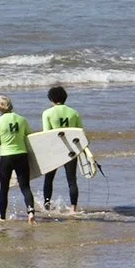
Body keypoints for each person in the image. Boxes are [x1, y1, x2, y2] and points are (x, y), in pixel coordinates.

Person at [0, 95, 35, 222]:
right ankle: (31, 212)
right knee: (25, 187)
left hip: (6, 157)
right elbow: (29, 136)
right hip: (22, 155)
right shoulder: (22, 119)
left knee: (4, 189)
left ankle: (3, 218)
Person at [40, 85, 83, 213]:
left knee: (49, 179)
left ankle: (47, 204)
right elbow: (80, 133)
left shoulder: (47, 113)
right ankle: (73, 209)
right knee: (72, 180)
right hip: (71, 150)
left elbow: (47, 134)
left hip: (54, 150)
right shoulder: (74, 112)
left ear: (51, 99)